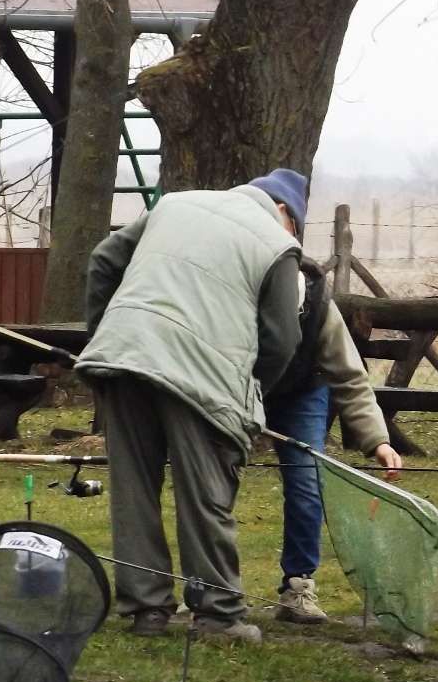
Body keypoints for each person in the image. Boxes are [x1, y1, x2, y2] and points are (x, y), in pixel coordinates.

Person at [76, 173, 303, 644]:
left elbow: (102, 260)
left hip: (124, 355)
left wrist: (105, 333)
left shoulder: (173, 205)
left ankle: (146, 611)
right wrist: (251, 392)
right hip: (201, 376)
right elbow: (282, 340)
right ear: (284, 211)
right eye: (297, 223)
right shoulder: (276, 244)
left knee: (133, 487)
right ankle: (218, 615)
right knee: (205, 494)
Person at [254, 173, 403, 623]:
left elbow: (350, 377)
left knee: (306, 482)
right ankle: (211, 587)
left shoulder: (315, 296)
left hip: (301, 393)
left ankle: (298, 586)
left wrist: (378, 440)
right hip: (236, 389)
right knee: (212, 478)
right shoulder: (230, 278)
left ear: (293, 230)